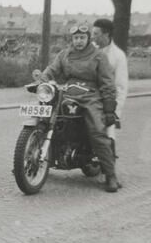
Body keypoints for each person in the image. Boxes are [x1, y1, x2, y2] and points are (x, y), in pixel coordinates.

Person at [41, 24, 119, 192]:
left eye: (82, 38)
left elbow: (107, 83)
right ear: (72, 39)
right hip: (68, 92)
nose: (78, 41)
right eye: (75, 38)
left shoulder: (98, 56)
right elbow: (52, 70)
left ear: (88, 38)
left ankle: (111, 174)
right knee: (47, 115)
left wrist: (109, 107)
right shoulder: (65, 54)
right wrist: (42, 79)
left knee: (97, 131)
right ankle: (34, 157)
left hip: (91, 96)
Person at [93, 18, 128, 149]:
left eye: (96, 34)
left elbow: (121, 86)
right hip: (87, 97)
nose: (93, 37)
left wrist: (115, 112)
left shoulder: (118, 56)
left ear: (106, 34)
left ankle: (107, 162)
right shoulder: (90, 50)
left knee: (107, 138)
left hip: (106, 101)